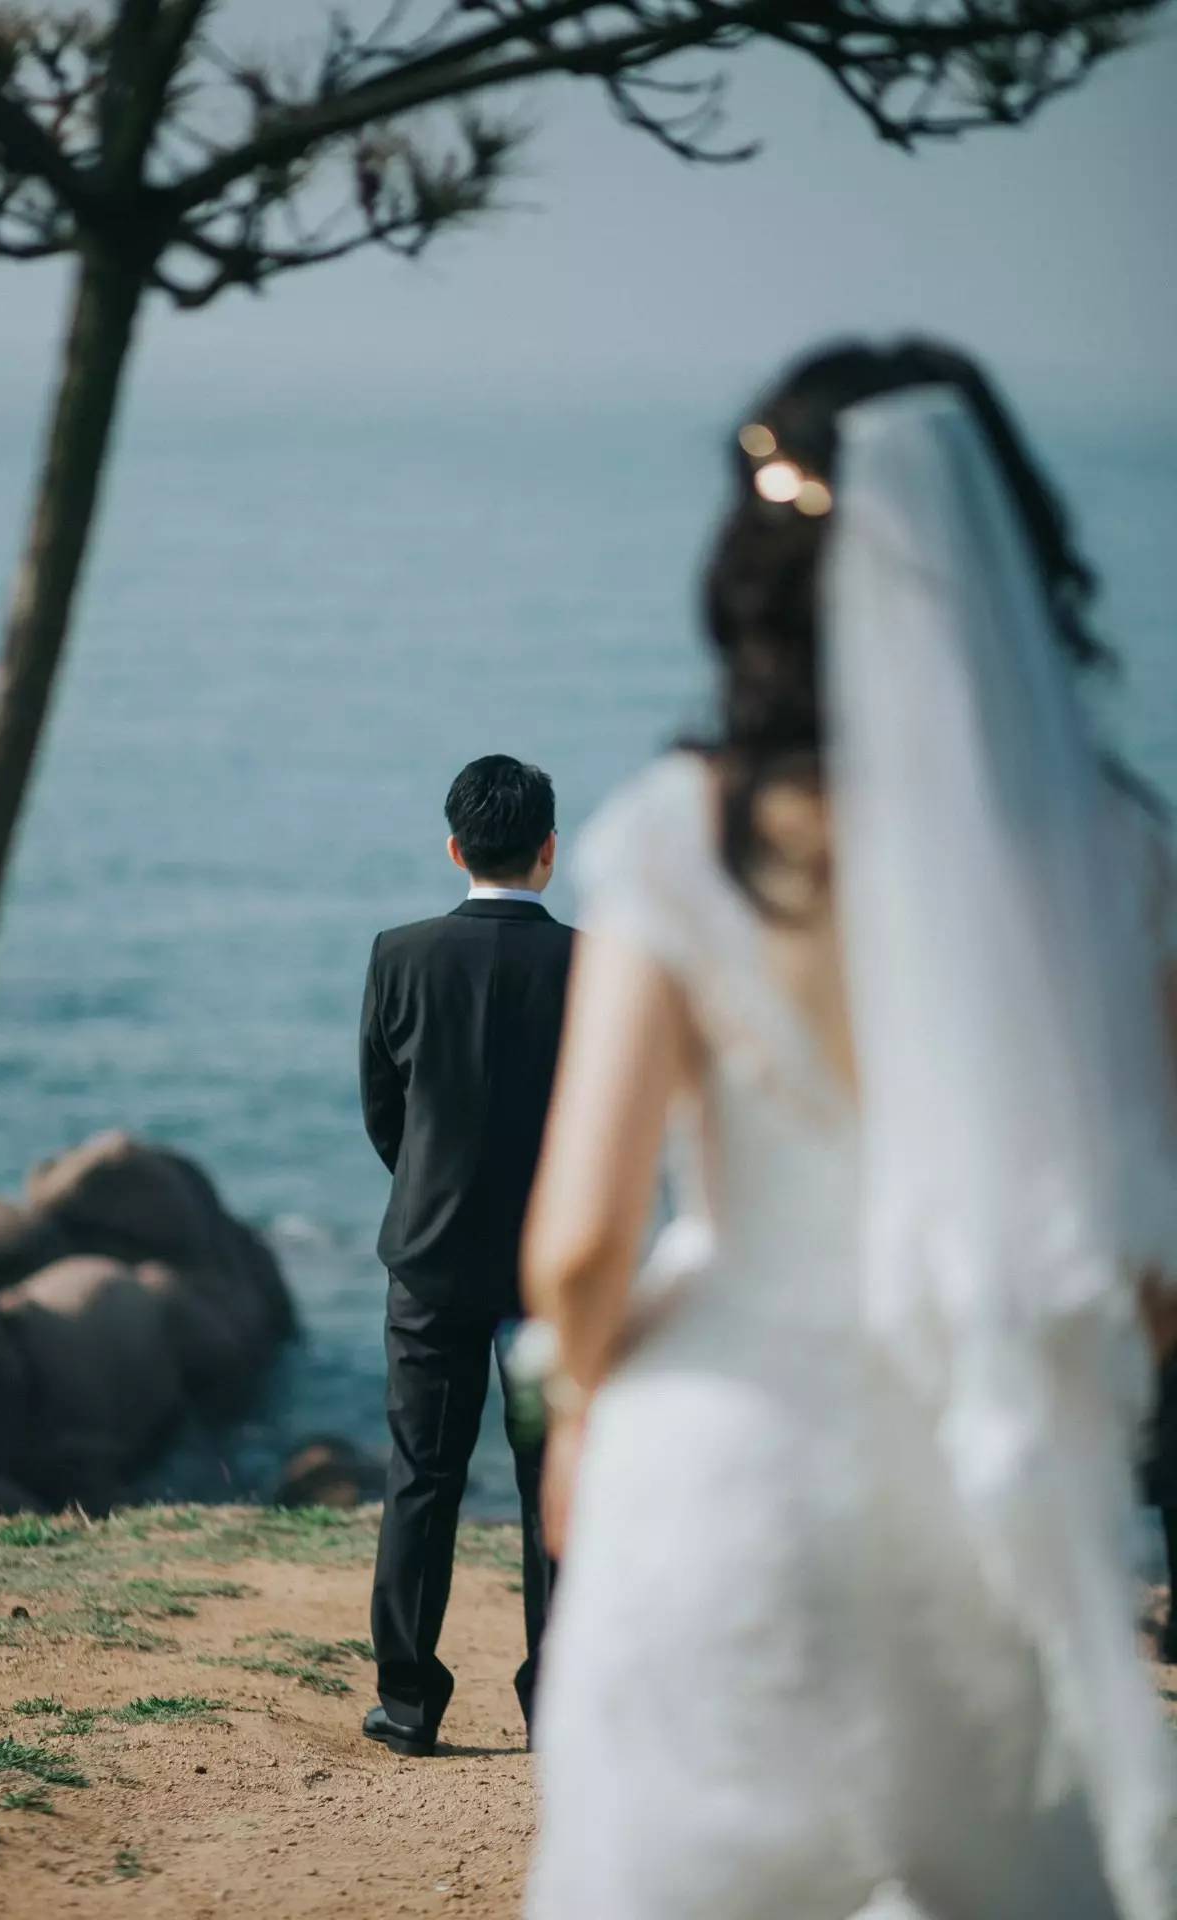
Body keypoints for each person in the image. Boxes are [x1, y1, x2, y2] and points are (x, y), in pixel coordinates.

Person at [521, 342, 1177, 1919]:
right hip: (991, 1490)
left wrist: (584, 1408)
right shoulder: (1120, 854)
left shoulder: (681, 838)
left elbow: (585, 1241)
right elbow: (1152, 1254)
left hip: (729, 1464)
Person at [360, 754, 572, 1756]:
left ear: (454, 848)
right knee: (554, 1484)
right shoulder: (592, 964)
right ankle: (560, 1704)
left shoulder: (398, 955)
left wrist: (429, 1186)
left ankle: (407, 1702)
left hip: (432, 1263)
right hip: (549, 1279)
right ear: (548, 851)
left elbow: (383, 1113)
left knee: (420, 1477)